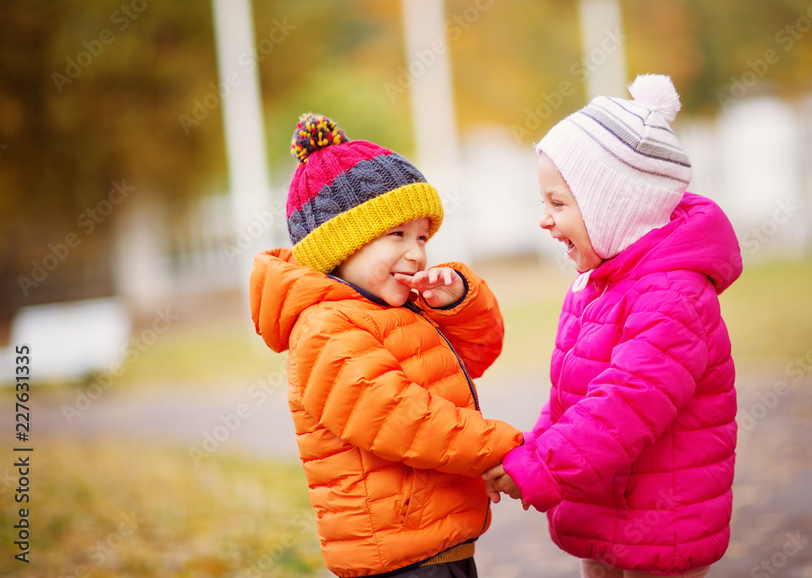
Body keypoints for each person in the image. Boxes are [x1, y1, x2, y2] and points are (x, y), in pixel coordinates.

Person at [483, 74, 743, 578]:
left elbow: (621, 407)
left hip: (660, 525)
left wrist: (538, 469)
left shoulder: (673, 297)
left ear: (615, 208)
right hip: (604, 508)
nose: (544, 219)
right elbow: (571, 400)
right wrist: (528, 449)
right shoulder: (598, 287)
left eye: (558, 203)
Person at [251, 113, 522, 578]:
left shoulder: (393, 310)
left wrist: (456, 301)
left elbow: (475, 355)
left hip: (440, 541)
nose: (416, 252)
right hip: (400, 558)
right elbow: (404, 418)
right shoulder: (326, 329)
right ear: (339, 246)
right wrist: (505, 449)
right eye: (396, 235)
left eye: (421, 236)